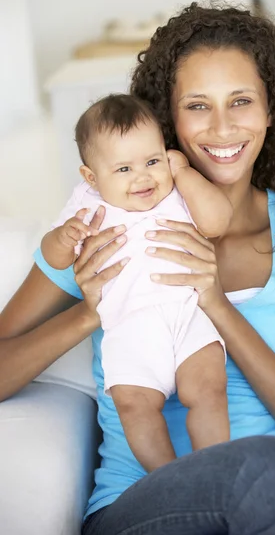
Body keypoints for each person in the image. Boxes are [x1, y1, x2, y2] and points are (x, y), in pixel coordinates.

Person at [0, 2, 275, 535]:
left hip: (272, 501)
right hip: (141, 506)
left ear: (271, 110)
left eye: (241, 101)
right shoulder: (109, 226)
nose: (221, 127)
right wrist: (87, 315)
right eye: (197, 105)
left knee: (268, 468)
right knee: (266, 468)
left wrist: (215, 303)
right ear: (169, 118)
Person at [40, 93, 232, 472]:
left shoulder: (176, 188)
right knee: (134, 405)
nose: (143, 176)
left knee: (209, 388)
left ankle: (215, 473)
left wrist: (184, 173)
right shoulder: (86, 203)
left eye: (152, 160)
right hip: (129, 325)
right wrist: (63, 239)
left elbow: (217, 222)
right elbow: (53, 256)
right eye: (123, 169)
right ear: (92, 177)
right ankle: (170, 480)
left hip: (187, 313)